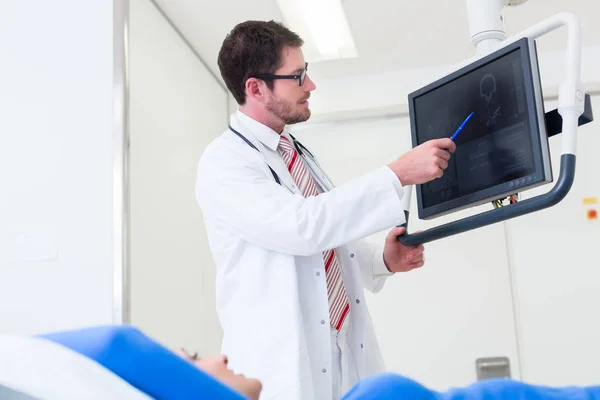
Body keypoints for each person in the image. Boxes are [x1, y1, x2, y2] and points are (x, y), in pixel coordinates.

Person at [195, 20, 457, 400]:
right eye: (298, 76)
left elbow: (330, 241)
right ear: (255, 87)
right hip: (282, 368)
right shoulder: (225, 162)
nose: (310, 85)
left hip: (341, 354)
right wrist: (396, 174)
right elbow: (301, 229)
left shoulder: (297, 154)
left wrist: (382, 259)